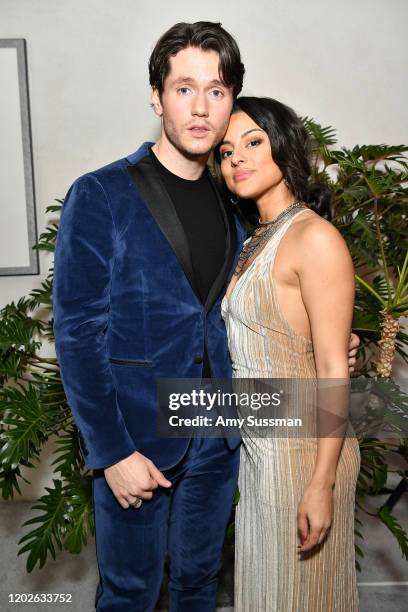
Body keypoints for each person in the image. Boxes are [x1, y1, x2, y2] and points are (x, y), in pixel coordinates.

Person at [52, 22, 359, 612]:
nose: (200, 107)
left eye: (216, 90)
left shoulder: (239, 201)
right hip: (137, 440)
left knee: (199, 588)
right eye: (184, 88)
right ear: (156, 96)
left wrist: (325, 358)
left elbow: (255, 314)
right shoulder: (102, 194)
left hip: (219, 436)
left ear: (232, 101)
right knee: (129, 592)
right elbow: (77, 334)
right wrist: (111, 451)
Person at [218, 96, 361, 611]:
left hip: (304, 453)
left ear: (284, 146)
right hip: (262, 451)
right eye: (226, 150)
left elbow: (330, 369)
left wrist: (321, 482)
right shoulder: (255, 237)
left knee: (302, 597)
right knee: (266, 594)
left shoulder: (313, 238)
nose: (237, 158)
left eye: (253, 142)